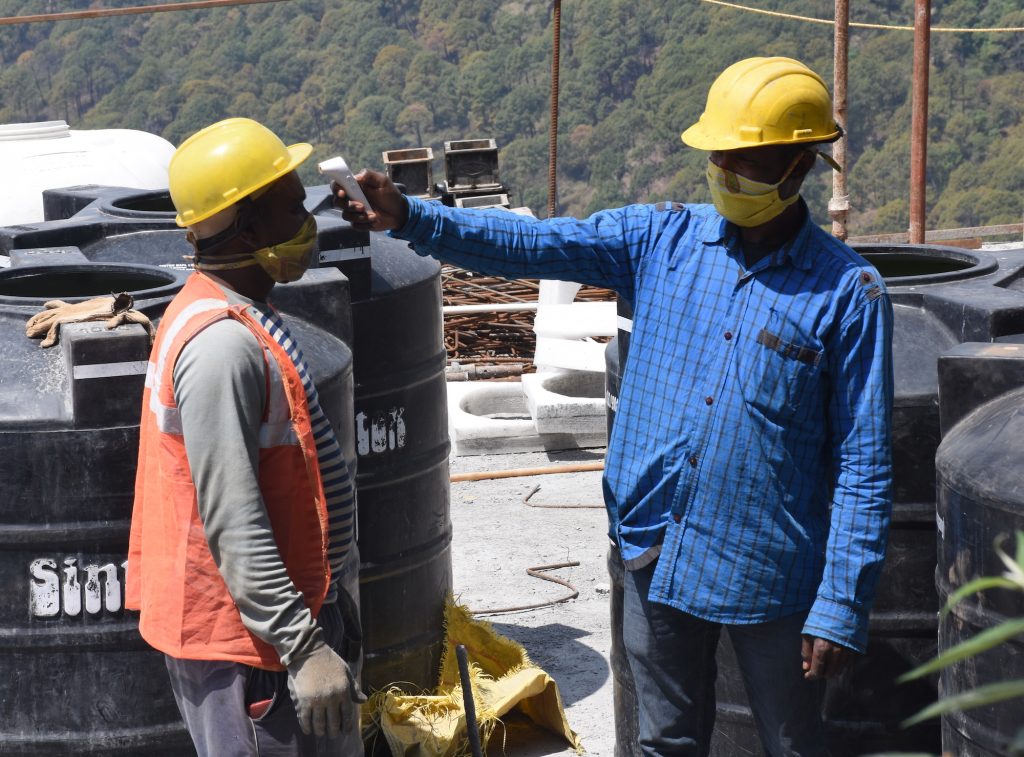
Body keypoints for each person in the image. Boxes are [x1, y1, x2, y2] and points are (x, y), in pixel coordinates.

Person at [336, 57, 894, 756]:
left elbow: (863, 464)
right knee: (663, 739)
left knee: (793, 744)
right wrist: (411, 217)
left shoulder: (850, 294)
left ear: (798, 167)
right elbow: (535, 243)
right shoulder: (661, 239)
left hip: (772, 571)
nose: (722, 169)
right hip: (654, 549)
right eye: (717, 153)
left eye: (743, 159)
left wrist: (841, 605)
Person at [126, 117, 364, 757]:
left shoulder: (233, 311)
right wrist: (303, 646)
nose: (307, 221)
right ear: (251, 229)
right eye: (293, 207)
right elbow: (231, 515)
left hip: (273, 630)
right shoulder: (223, 347)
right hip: (252, 650)